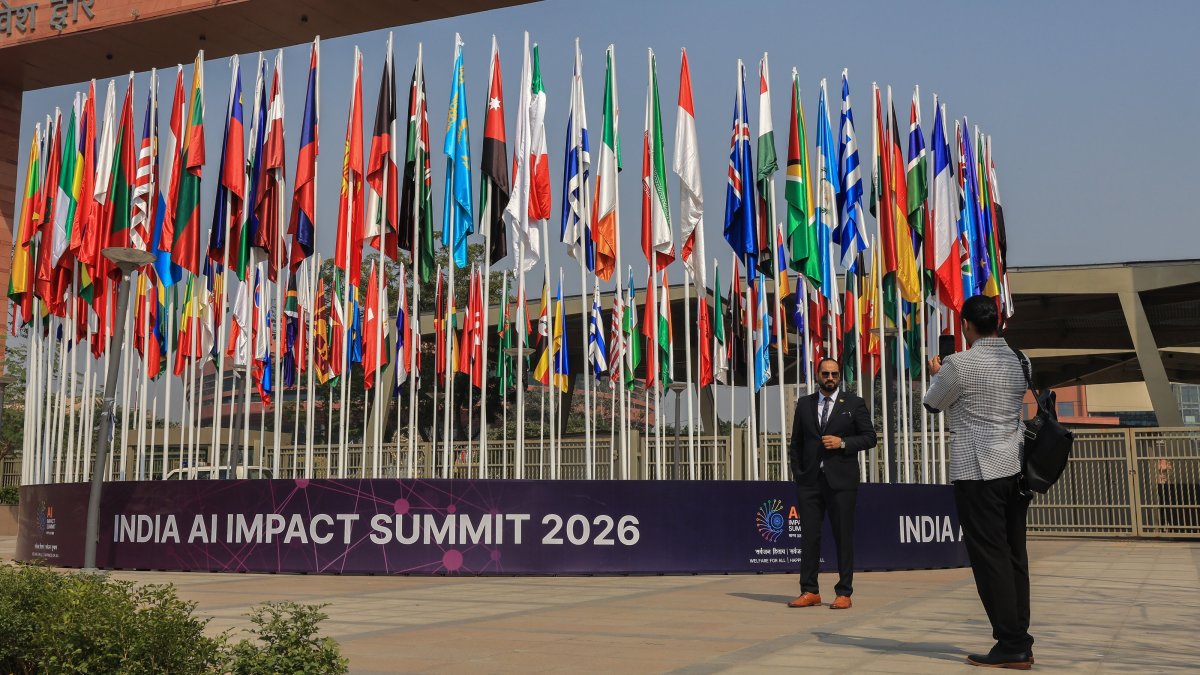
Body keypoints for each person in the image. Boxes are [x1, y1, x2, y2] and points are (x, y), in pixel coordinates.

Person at [924, 295, 1034, 670]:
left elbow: (932, 403)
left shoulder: (958, 364)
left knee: (990, 558)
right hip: (1015, 466)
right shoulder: (1021, 359)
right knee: (1014, 553)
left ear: (966, 325)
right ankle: (1020, 637)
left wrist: (937, 371)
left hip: (977, 469)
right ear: (998, 322)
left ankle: (1011, 643)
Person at [786, 357, 877, 610]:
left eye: (834, 374)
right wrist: (799, 474)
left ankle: (844, 592)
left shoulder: (854, 403)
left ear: (839, 377)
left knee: (843, 537)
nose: (830, 378)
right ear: (818, 375)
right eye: (825, 374)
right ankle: (809, 590)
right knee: (809, 537)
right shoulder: (805, 404)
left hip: (842, 482)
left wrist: (843, 443)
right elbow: (796, 443)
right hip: (810, 482)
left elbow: (870, 438)